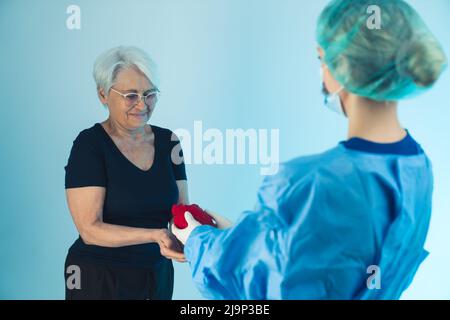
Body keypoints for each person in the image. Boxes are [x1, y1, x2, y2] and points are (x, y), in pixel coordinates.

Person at [172, 0, 447, 299]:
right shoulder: (418, 169)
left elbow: (255, 284)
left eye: (322, 59)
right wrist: (241, 235)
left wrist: (197, 238)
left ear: (344, 67)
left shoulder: (311, 182)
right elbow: (317, 258)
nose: (322, 71)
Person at [64, 46, 187, 300]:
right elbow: (90, 229)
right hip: (100, 278)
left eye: (150, 94)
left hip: (157, 274)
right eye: (131, 95)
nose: (142, 104)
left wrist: (203, 235)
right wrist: (154, 235)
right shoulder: (89, 145)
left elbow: (181, 213)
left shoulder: (169, 141)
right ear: (103, 95)